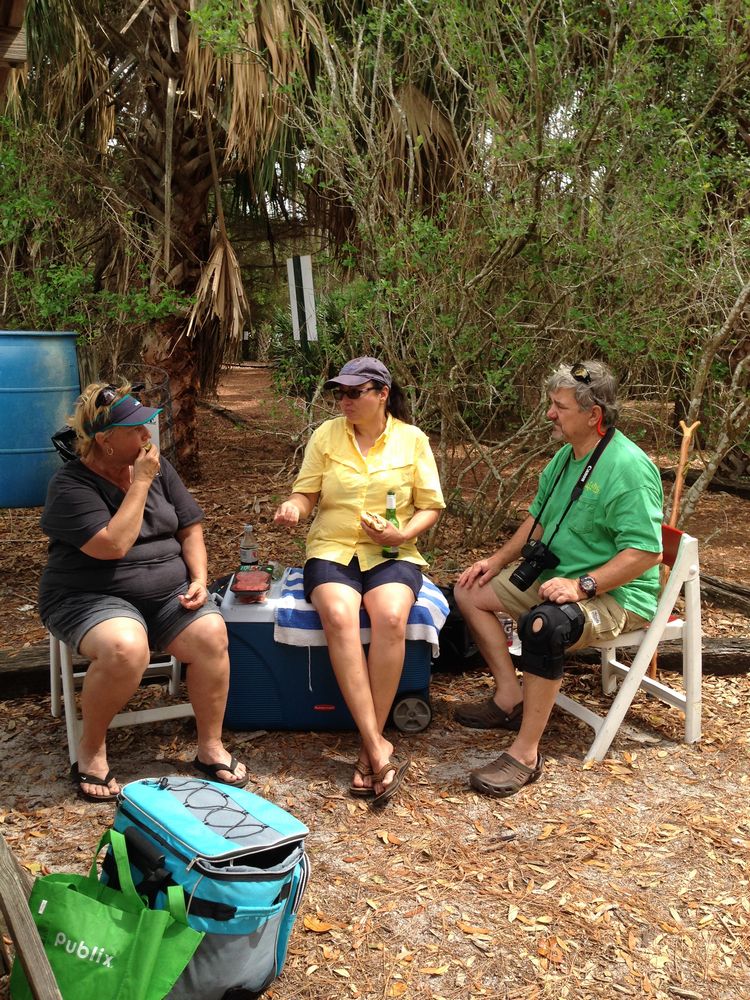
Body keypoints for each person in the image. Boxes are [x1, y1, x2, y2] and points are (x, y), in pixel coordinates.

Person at [453, 360, 663, 797]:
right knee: (468, 590)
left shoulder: (628, 468)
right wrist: (495, 561)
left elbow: (647, 552)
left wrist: (583, 585)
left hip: (617, 594)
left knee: (542, 625)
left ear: (594, 415)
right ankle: (510, 697)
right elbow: (537, 522)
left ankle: (526, 753)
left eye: (559, 406)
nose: (550, 414)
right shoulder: (567, 456)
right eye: (552, 404)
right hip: (557, 576)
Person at [40, 381, 247, 802]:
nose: (146, 436)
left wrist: (199, 578)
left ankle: (210, 748)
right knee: (124, 647)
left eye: (146, 424)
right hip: (88, 596)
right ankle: (91, 751)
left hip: (167, 593)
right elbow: (113, 545)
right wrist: (140, 484)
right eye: (135, 429)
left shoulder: (157, 467)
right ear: (104, 440)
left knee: (212, 633)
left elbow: (190, 527)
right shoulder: (70, 486)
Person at [274, 357, 445, 806]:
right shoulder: (326, 435)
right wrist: (295, 507)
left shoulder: (412, 440)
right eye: (340, 393)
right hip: (332, 547)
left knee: (390, 615)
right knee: (338, 613)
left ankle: (370, 747)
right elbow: (306, 492)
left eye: (354, 392)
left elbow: (431, 505)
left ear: (382, 393)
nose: (344, 401)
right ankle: (375, 745)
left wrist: (402, 533)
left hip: (391, 550)